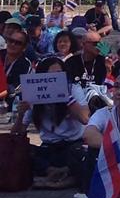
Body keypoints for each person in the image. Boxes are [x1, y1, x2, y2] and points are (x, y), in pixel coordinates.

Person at [12, 55, 89, 188]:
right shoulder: (34, 93)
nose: (54, 79)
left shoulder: (73, 89)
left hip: (72, 144)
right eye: (50, 75)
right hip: (49, 147)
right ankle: (57, 173)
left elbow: (84, 118)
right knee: (23, 151)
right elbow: (17, 133)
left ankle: (56, 177)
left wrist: (65, 97)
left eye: (58, 74)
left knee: (80, 154)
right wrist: (21, 114)